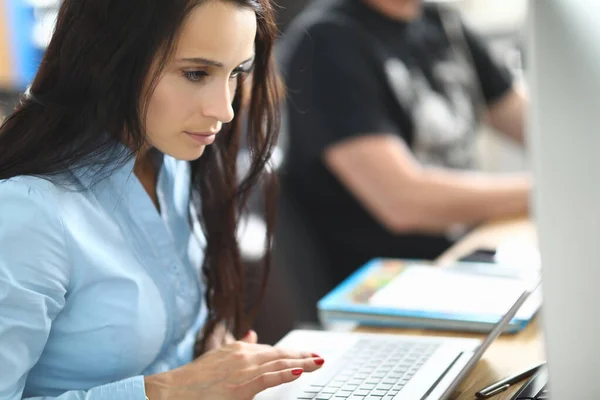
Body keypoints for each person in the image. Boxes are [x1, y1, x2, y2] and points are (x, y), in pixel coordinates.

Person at [0, 1, 325, 399]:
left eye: (237, 72)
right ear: (109, 59)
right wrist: (170, 390)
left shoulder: (173, 164)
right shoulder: (26, 213)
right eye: (195, 73)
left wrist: (222, 357)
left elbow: (176, 338)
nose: (223, 110)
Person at [278, 0, 531, 285]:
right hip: (389, 285)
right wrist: (545, 193)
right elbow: (404, 202)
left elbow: (534, 126)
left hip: (465, 257)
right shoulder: (327, 42)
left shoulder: (442, 23)